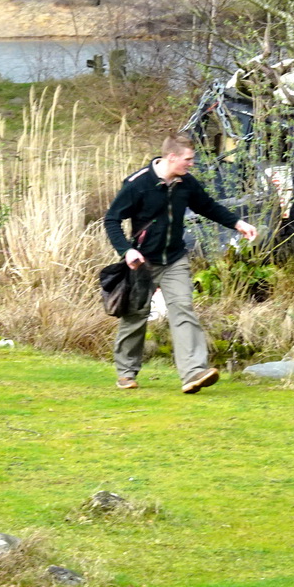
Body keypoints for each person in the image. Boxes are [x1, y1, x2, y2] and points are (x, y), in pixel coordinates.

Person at [104, 133, 257, 393]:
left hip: (175, 258)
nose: (191, 164)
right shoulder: (137, 185)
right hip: (142, 262)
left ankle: (193, 373)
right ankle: (126, 373)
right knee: (136, 316)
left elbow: (207, 206)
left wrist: (237, 223)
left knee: (183, 309)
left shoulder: (186, 183)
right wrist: (126, 251)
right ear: (171, 157)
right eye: (188, 159)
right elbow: (112, 220)